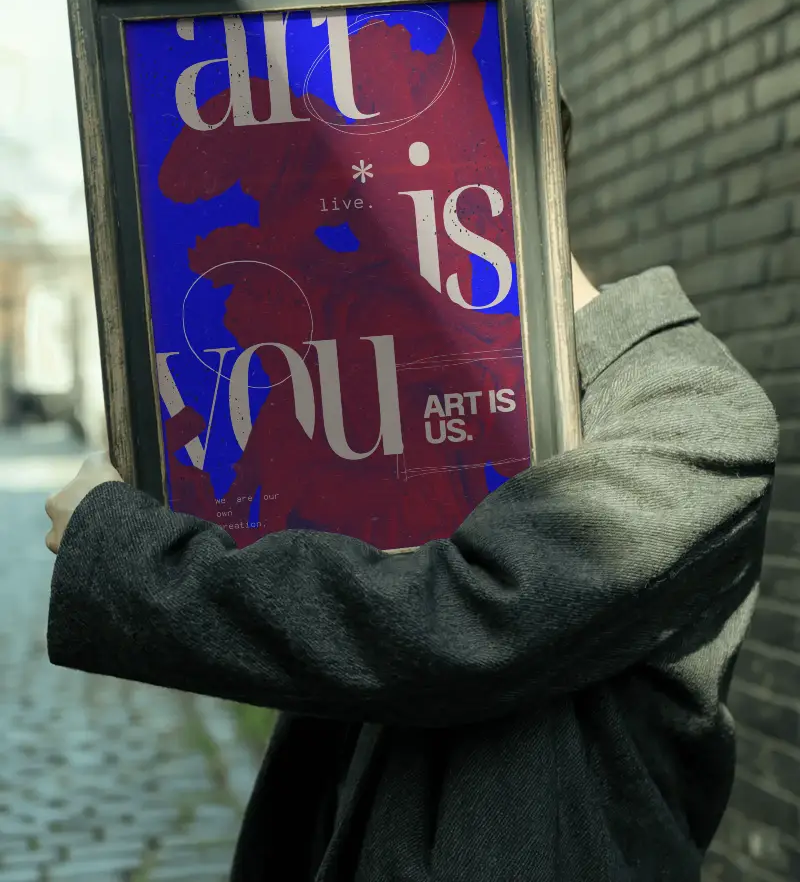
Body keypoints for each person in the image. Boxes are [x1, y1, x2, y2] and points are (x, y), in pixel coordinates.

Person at [44, 99, 777, 881]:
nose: (343, 248)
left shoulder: (696, 411)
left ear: (490, 193)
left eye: (372, 206)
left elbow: (460, 618)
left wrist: (126, 553)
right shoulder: (415, 395)